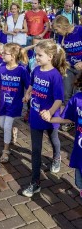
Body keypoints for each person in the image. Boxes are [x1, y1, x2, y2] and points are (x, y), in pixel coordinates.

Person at [22, 40, 69, 198]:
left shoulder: (55, 75)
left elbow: (58, 99)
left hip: (50, 117)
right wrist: (28, 93)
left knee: (53, 138)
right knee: (36, 150)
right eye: (35, 55)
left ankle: (56, 157)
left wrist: (50, 112)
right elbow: (32, 84)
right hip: (35, 116)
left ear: (50, 56)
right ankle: (35, 183)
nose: (36, 58)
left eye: (39, 55)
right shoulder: (35, 70)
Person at [40, 74, 82, 198]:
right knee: (79, 181)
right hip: (80, 151)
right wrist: (51, 118)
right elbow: (67, 118)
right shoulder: (77, 100)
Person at [0, 43, 30, 163]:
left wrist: (26, 95)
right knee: (3, 125)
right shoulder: (1, 68)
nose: (2, 55)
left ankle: (6, 151)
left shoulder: (21, 70)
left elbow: (29, 85)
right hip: (3, 103)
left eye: (5, 53)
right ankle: (14, 130)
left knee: (6, 126)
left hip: (15, 103)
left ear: (13, 56)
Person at [53, 15, 82, 131]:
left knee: (78, 94)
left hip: (81, 69)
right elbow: (63, 53)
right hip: (69, 68)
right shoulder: (62, 37)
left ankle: (76, 119)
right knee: (66, 93)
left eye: (56, 29)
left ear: (62, 26)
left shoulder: (79, 30)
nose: (56, 32)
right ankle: (68, 119)